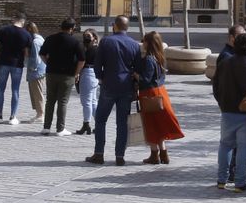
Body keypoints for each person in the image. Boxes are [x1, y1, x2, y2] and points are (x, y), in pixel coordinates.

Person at [87, 16, 141, 166]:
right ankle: (120, 156)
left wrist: (100, 78)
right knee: (122, 123)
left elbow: (98, 63)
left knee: (100, 119)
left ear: (114, 26)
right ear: (127, 27)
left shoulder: (106, 41)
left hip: (109, 84)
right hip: (126, 87)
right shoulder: (134, 45)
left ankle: (99, 153)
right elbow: (137, 68)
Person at [212, 33, 246, 191]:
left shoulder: (225, 63)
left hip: (227, 110)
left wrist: (222, 103)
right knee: (244, 147)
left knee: (225, 145)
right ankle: (239, 182)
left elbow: (216, 86)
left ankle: (221, 179)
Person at [134, 31, 183, 165]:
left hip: (150, 94)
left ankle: (154, 155)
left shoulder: (149, 59)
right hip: (160, 93)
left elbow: (145, 79)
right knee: (160, 124)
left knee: (151, 124)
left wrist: (135, 75)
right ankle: (164, 154)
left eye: (144, 40)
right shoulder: (160, 56)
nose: (142, 43)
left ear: (149, 43)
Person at [39, 19, 85, 136]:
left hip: (51, 73)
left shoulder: (50, 38)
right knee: (62, 102)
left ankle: (46, 127)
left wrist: (48, 63)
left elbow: (42, 54)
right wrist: (76, 73)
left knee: (50, 101)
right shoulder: (75, 42)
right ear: (72, 28)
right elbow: (82, 60)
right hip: (67, 75)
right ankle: (60, 128)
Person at [0, 15, 34, 124]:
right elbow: (26, 53)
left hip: (3, 63)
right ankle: (13, 116)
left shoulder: (4, 30)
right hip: (17, 64)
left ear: (14, 20)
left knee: (1, 89)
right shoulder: (26, 34)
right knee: (15, 90)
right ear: (23, 21)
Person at [76, 29, 100, 135]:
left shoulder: (93, 49)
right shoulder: (92, 48)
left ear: (94, 37)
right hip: (93, 74)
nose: (86, 38)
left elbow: (82, 60)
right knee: (93, 101)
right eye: (84, 36)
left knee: (86, 101)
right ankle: (99, 124)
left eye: (88, 36)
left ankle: (86, 124)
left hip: (88, 73)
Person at [26, 21, 47, 122]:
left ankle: (41, 114)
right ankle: (39, 113)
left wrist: (32, 68)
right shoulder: (40, 38)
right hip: (41, 69)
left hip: (36, 71)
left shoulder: (35, 42)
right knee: (37, 92)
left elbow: (36, 57)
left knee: (37, 93)